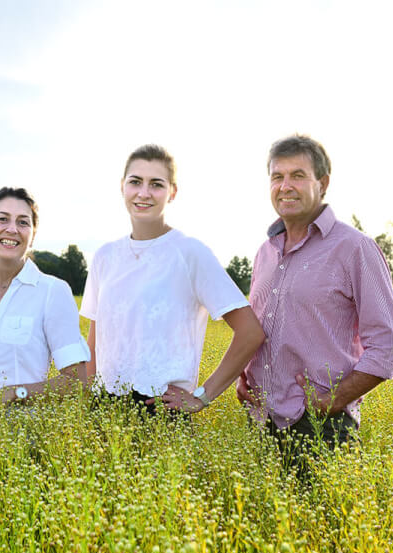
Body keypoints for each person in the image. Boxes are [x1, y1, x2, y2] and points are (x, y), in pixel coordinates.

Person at [237, 134, 393, 461]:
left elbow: (391, 344)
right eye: (277, 177)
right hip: (259, 421)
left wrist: (335, 399)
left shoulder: (354, 248)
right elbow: (259, 327)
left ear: (323, 182)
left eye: (298, 176)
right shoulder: (265, 252)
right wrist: (244, 375)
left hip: (321, 427)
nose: (285, 186)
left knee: (325, 513)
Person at [80, 144, 265, 416]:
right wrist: (87, 406)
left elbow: (251, 332)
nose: (144, 193)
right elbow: (96, 339)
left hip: (161, 412)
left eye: (156, 184)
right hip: (103, 411)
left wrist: (202, 396)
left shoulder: (190, 252)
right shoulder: (104, 256)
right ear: (122, 186)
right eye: (135, 182)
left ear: (172, 192)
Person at [0, 187, 89, 429]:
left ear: (32, 236)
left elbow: (77, 382)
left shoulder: (52, 291)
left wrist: (13, 393)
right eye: (2, 219)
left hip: (22, 447)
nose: (12, 229)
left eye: (23, 222)